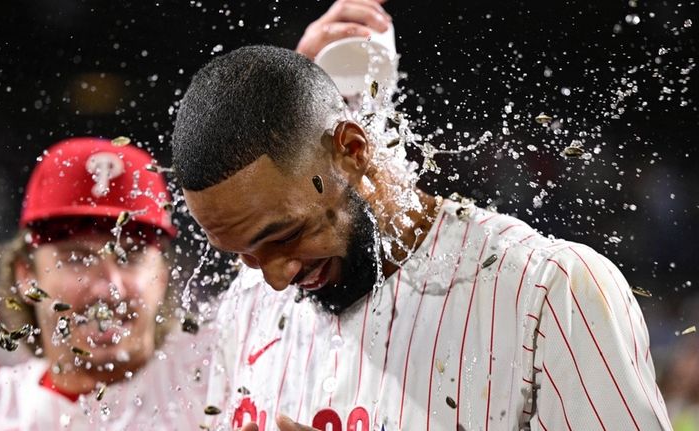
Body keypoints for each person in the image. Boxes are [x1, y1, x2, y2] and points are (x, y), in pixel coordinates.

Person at [171, 24, 674, 431]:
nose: (274, 278)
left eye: (284, 236)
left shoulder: (548, 292)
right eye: (243, 253)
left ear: (351, 153)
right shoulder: (248, 307)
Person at [0, 137, 210, 430]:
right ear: (27, 275)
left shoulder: (221, 385)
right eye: (77, 257)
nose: (109, 287)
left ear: (163, 275)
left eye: (131, 256)